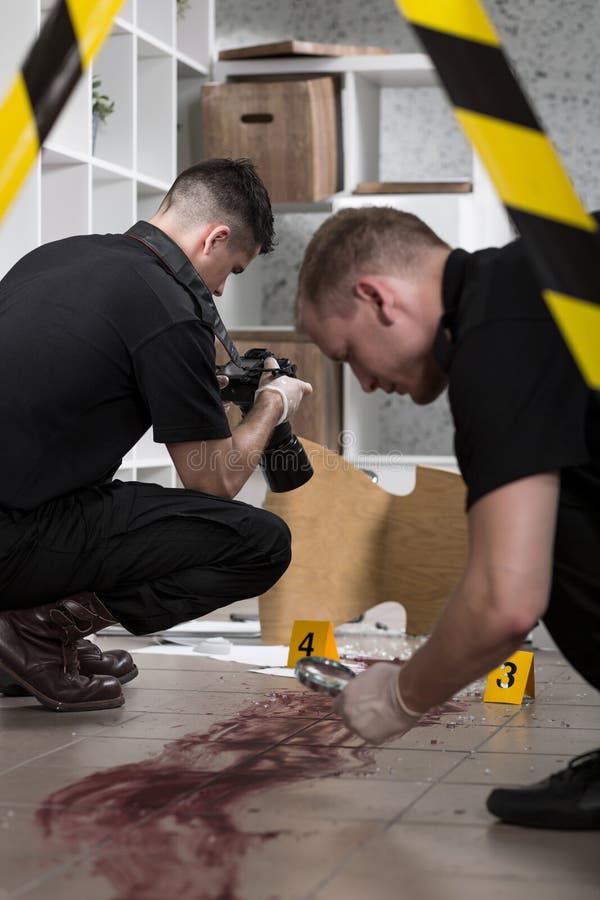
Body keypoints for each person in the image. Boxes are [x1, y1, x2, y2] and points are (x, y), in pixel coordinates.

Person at [295, 205, 600, 830]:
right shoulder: (532, 275)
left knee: (543, 531)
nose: (367, 382)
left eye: (349, 352)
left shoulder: (499, 338)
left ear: (378, 298)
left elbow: (505, 604)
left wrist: (397, 698)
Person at [0, 158, 312, 712]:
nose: (218, 290)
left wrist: (197, 384)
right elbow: (212, 482)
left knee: (98, 494)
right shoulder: (172, 309)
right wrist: (269, 405)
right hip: (14, 537)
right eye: (231, 271)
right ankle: (37, 631)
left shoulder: (60, 255)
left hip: (19, 511)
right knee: (260, 543)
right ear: (214, 237)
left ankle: (33, 633)